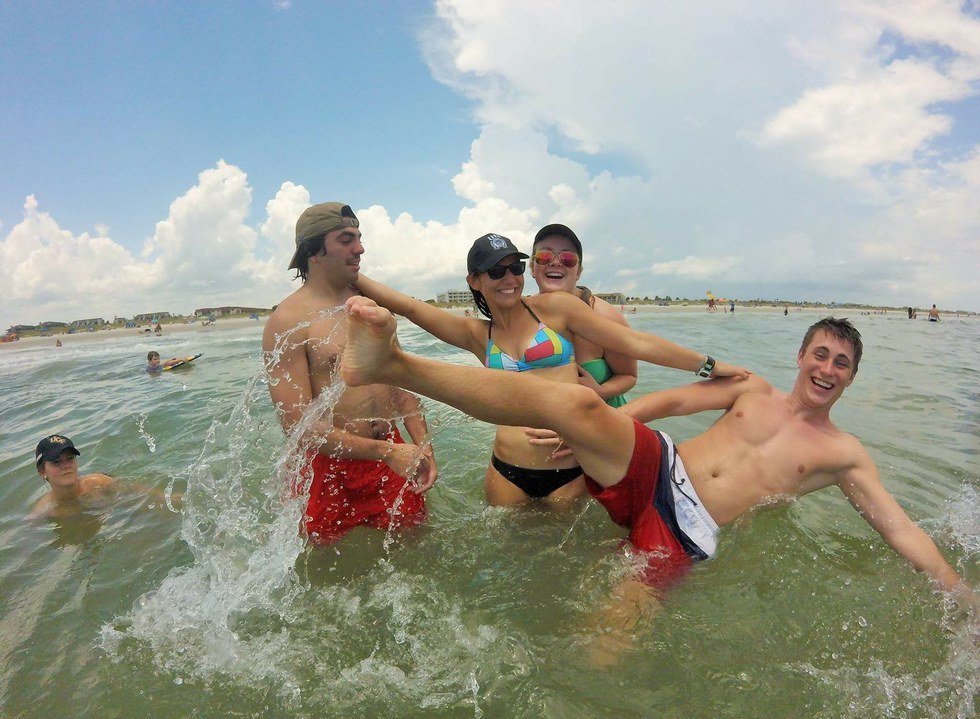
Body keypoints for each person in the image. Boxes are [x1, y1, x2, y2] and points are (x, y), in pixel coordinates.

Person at [341, 300, 969, 605]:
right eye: (821, 355)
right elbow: (666, 402)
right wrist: (600, 429)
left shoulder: (845, 453)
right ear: (801, 356)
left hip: (686, 527)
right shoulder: (752, 388)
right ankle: (393, 363)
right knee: (580, 405)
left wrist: (960, 593)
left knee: (614, 629)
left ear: (852, 378)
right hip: (659, 468)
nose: (827, 369)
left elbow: (900, 528)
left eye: (842, 364)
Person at [355, 234, 748, 507]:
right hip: (506, 469)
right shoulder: (476, 334)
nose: (509, 279)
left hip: (571, 467)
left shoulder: (556, 308)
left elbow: (636, 343)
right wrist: (346, 271)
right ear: (474, 281)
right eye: (496, 272)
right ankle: (387, 364)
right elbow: (409, 307)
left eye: (515, 268)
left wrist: (708, 365)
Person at [262, 202, 437, 544]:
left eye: (359, 237)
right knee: (324, 564)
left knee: (415, 543)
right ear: (314, 251)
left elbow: (400, 384)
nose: (360, 248)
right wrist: (388, 453)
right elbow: (299, 428)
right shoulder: (286, 321)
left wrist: (424, 446)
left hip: (391, 453)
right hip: (327, 469)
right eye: (346, 239)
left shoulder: (371, 305)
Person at [530, 224, 636, 407]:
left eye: (568, 258)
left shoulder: (605, 317)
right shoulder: (522, 315)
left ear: (578, 272)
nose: (555, 262)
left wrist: (601, 391)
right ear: (532, 267)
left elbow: (629, 375)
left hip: (606, 417)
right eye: (544, 256)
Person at [29, 435, 115, 519]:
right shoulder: (43, 511)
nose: (66, 466)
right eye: (56, 462)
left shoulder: (101, 483)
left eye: (70, 458)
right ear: (42, 472)